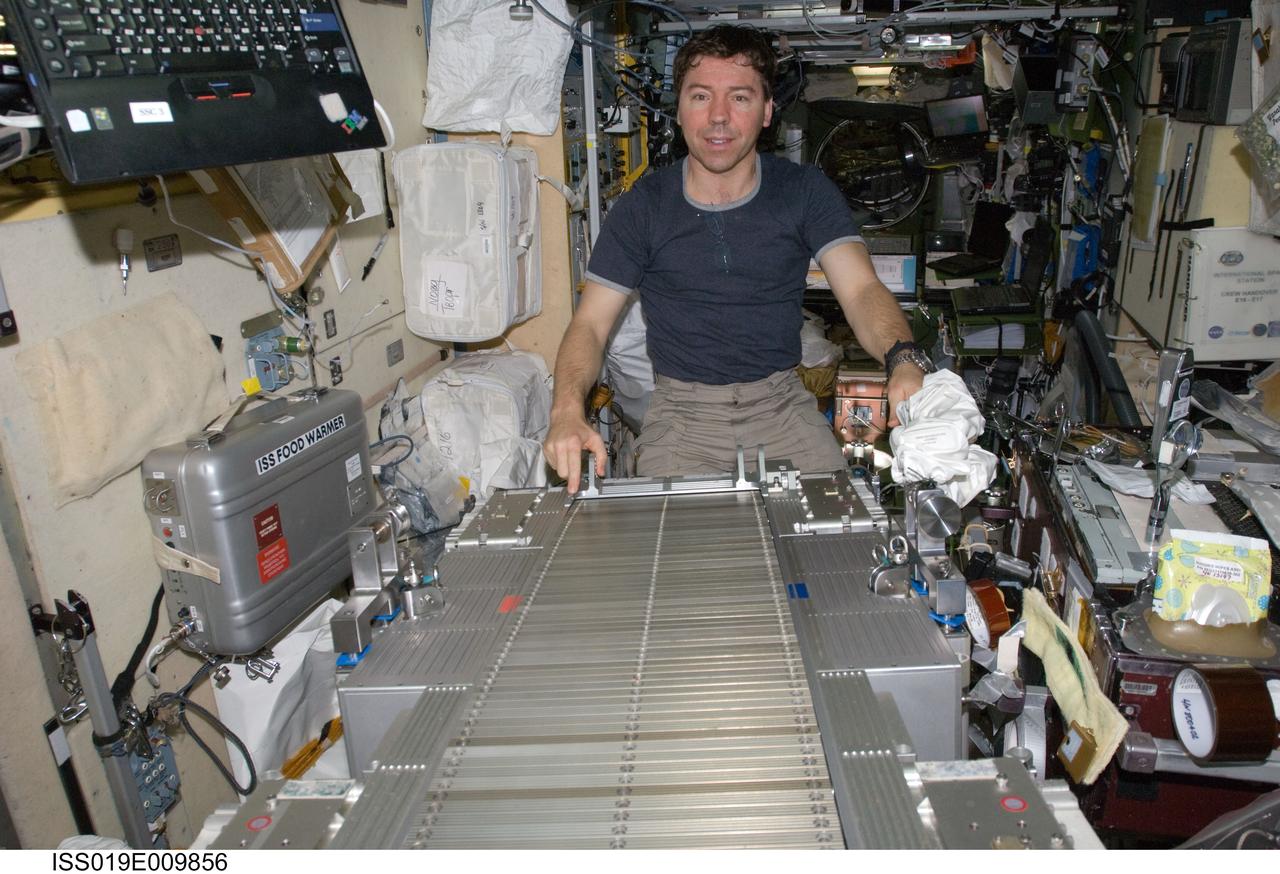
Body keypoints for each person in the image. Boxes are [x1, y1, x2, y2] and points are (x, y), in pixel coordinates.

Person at [544, 24, 930, 492]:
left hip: (783, 408)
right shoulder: (643, 207)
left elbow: (862, 288)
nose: (719, 117)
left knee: (841, 538)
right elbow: (590, 324)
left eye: (741, 98)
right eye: (701, 96)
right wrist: (566, 411)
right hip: (683, 421)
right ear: (680, 109)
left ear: (767, 111)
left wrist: (903, 356)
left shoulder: (804, 192)